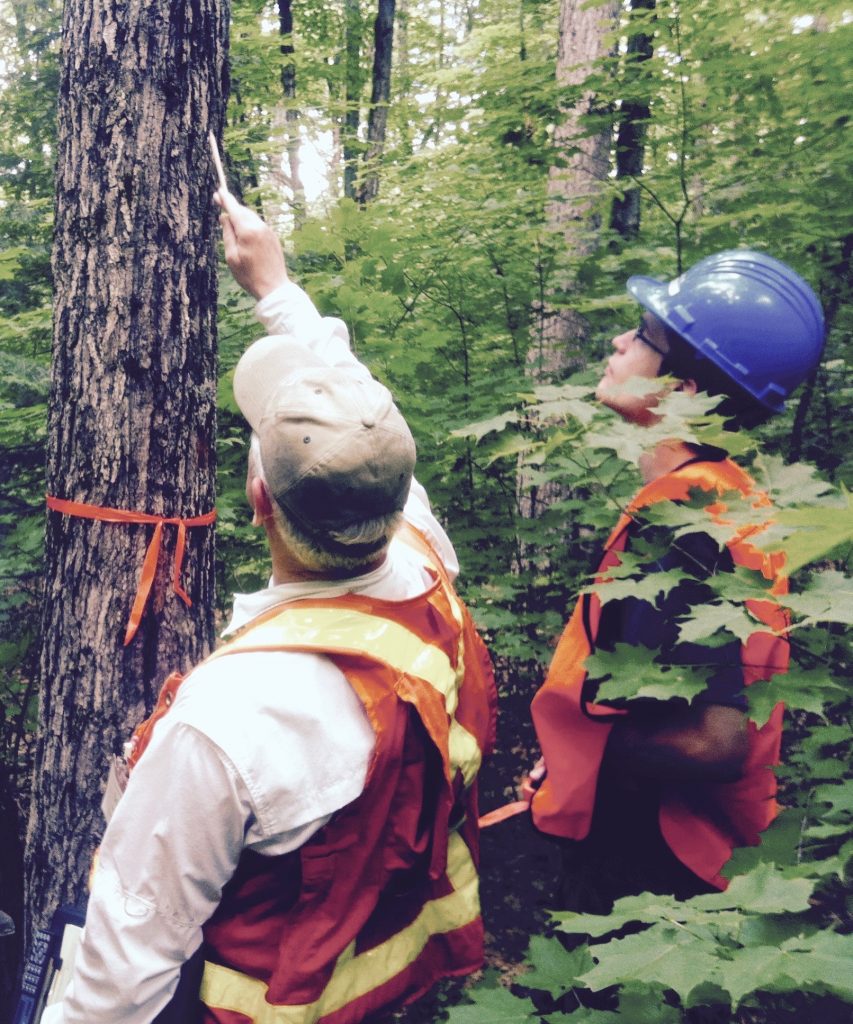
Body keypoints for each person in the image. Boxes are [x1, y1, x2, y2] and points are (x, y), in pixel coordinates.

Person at [42, 191, 496, 1024]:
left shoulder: (231, 715)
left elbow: (125, 963)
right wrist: (274, 287)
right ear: (400, 492)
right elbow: (356, 397)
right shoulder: (426, 558)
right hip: (401, 991)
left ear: (258, 497)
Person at [529, 250, 825, 913]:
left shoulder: (689, 523)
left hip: (653, 862)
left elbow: (713, 742)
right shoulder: (718, 498)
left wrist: (588, 751)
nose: (618, 342)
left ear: (683, 390)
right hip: (663, 847)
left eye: (642, 336)